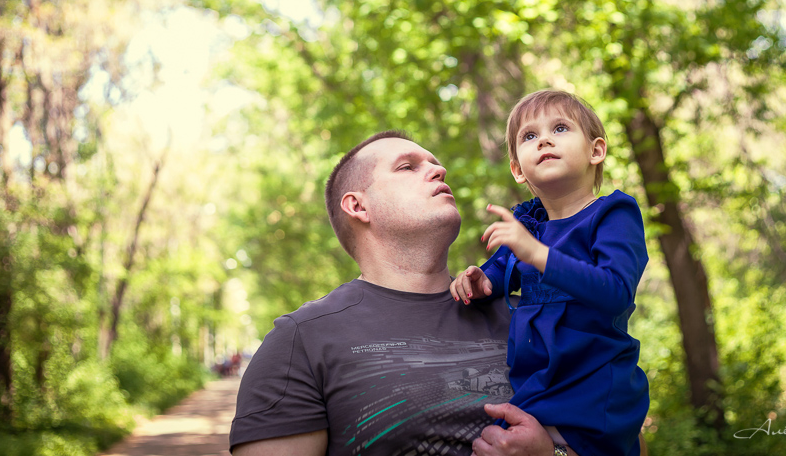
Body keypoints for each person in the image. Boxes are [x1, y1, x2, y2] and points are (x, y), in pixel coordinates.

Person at [230, 131, 567, 456]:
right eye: (408, 166)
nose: (439, 169)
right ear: (358, 206)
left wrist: (551, 455)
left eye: (434, 163)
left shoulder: (533, 315)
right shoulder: (300, 340)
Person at [451, 90, 650, 456]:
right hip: (535, 389)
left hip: (594, 390)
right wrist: (479, 281)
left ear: (596, 151)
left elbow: (617, 290)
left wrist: (538, 254)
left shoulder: (613, 213)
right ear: (517, 169)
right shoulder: (527, 223)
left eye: (560, 128)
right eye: (529, 136)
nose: (543, 139)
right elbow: (499, 273)